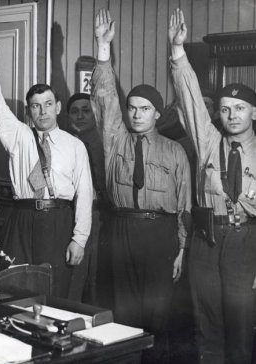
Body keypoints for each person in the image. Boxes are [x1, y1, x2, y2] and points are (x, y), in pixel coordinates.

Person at [92, 9, 191, 363]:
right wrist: (103, 47)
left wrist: (180, 250)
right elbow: (105, 98)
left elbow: (184, 205)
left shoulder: (175, 150)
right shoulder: (114, 139)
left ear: (157, 113)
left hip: (160, 235)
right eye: (132, 107)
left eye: (144, 108)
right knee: (122, 312)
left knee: (158, 316)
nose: (136, 114)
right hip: (121, 229)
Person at [0, 31, 92, 299]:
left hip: (58, 220)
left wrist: (79, 239)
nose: (43, 112)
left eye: (48, 104)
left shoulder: (75, 146)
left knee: (54, 290)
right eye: (36, 107)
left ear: (59, 107)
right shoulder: (19, 136)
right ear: (29, 112)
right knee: (17, 288)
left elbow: (85, 195)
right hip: (22, 217)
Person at [169, 9, 256, 364]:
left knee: (241, 327)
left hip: (246, 243)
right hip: (207, 240)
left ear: (254, 112)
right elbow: (189, 100)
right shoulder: (208, 141)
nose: (232, 115)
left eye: (240, 108)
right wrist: (177, 52)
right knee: (207, 325)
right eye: (224, 109)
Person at [66, 93, 111, 303]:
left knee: (96, 275)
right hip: (70, 214)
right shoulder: (64, 143)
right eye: (75, 111)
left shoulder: (104, 144)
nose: (80, 116)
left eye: (86, 111)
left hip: (100, 214)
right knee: (75, 272)